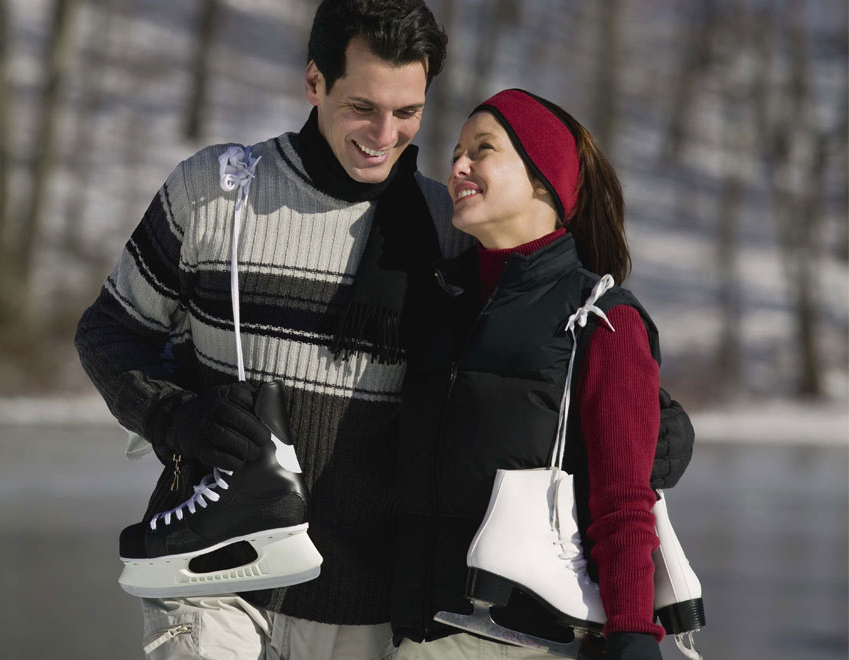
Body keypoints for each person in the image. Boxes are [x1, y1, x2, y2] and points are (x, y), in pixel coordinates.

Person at [74, 1, 466, 658]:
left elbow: (529, 357)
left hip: (367, 602)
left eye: (407, 112)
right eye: (363, 107)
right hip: (209, 577)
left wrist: (641, 422)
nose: (385, 133)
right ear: (315, 82)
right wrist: (177, 418)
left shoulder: (448, 229)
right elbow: (109, 334)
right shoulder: (215, 193)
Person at [390, 88, 668, 659]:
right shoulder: (439, 303)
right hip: (412, 633)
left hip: (531, 642)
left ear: (543, 180)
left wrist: (634, 634)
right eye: (457, 152)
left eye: (482, 149)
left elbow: (623, 501)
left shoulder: (603, 319)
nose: (458, 166)